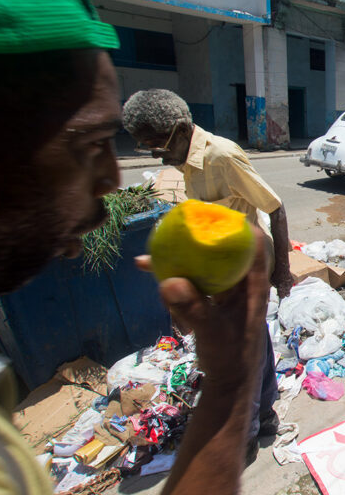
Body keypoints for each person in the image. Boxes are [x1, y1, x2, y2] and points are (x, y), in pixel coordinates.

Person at [0, 0, 268, 493]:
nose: (110, 183)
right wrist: (231, 382)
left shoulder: (223, 154)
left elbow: (270, 205)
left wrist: (241, 364)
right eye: (90, 145)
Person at [121, 90, 293, 463]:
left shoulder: (221, 155)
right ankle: (265, 416)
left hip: (246, 269)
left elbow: (275, 208)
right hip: (222, 268)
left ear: (181, 130)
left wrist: (283, 272)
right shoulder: (184, 159)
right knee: (255, 344)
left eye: (157, 145)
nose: (156, 155)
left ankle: (244, 437)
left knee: (236, 358)